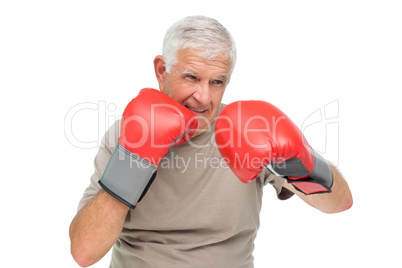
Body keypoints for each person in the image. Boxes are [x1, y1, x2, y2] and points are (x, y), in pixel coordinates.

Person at [69, 15, 353, 268]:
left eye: (217, 82)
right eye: (191, 77)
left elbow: (339, 203)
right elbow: (84, 253)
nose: (204, 97)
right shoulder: (128, 131)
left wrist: (301, 156)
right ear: (161, 71)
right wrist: (134, 157)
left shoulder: (248, 131)